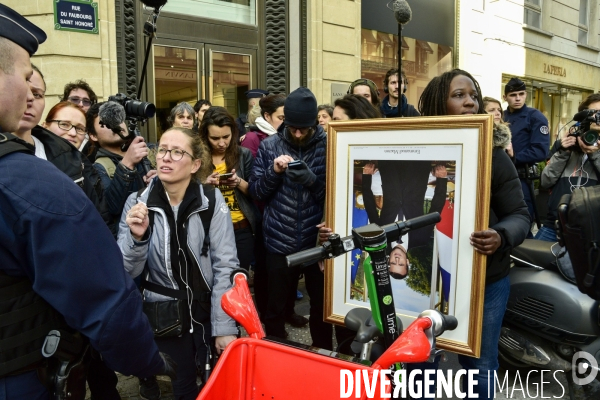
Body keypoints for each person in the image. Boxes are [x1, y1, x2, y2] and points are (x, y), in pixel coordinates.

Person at [0, 5, 175, 398]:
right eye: (26, 77)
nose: (30, 93)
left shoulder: (63, 165)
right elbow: (104, 297)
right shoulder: (32, 184)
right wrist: (146, 360)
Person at [408, 69, 530, 400]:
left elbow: (520, 215)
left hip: (485, 280)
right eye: (459, 95)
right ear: (438, 103)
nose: (469, 101)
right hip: (424, 279)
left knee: (480, 364)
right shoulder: (410, 150)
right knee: (419, 360)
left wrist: (501, 235)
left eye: (473, 95)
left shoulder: (492, 154)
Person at [118, 126, 238, 400]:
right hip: (166, 311)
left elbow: (226, 265)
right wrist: (138, 238)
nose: (165, 158)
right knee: (182, 383)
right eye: (162, 149)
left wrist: (224, 327)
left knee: (215, 380)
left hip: (207, 308)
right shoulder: (137, 203)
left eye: (176, 152)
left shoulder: (210, 199)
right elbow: (125, 270)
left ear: (196, 164)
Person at [249, 87, 332, 347]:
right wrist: (273, 172)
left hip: (315, 239)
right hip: (278, 237)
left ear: (314, 124)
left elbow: (334, 197)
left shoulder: (329, 146)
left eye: (304, 128)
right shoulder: (270, 145)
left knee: (320, 307)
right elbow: (256, 192)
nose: (297, 133)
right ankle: (275, 349)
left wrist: (311, 180)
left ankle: (322, 353)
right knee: (274, 305)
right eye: (293, 127)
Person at [200, 106, 260, 274]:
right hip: (209, 229)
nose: (221, 143)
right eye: (215, 138)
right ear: (205, 136)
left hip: (241, 227)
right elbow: (186, 193)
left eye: (226, 137)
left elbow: (255, 192)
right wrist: (205, 184)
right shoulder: (197, 158)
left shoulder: (243, 154)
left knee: (239, 278)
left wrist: (238, 182)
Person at [536, 93, 600, 242]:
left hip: (591, 228)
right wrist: (563, 152)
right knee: (528, 260)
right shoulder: (566, 144)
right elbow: (545, 181)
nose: (597, 117)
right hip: (554, 225)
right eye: (594, 113)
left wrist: (595, 154)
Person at [87, 102, 156, 237]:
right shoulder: (97, 168)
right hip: (131, 241)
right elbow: (111, 208)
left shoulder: (149, 152)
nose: (115, 124)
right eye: (106, 121)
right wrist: (127, 164)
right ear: (93, 135)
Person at [503, 77, 550, 235]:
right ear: (505, 97)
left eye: (521, 94)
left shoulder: (535, 117)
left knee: (521, 224)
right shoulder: (501, 116)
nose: (517, 98)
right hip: (500, 176)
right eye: (513, 94)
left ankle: (523, 259)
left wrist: (515, 156)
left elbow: (540, 151)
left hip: (521, 177)